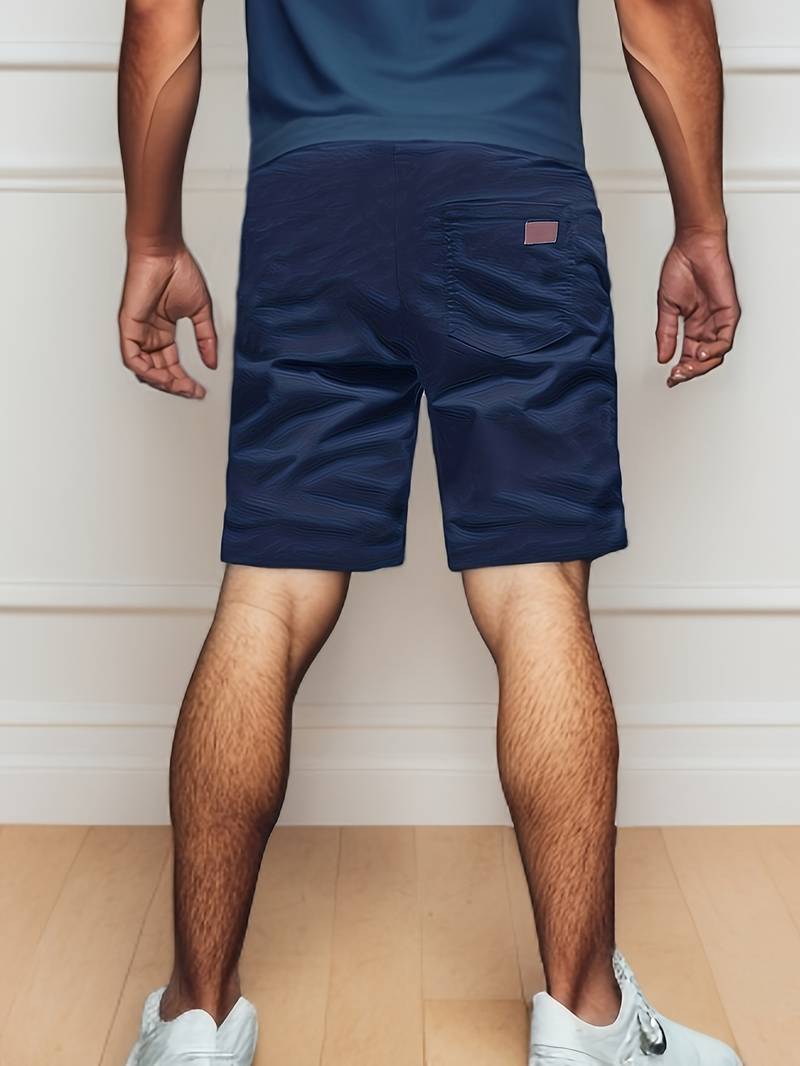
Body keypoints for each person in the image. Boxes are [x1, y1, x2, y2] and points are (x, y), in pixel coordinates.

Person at [117, 1, 742, 1063]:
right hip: (515, 200)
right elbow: (661, 12)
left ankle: (195, 1019)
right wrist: (702, 226)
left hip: (312, 204)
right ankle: (586, 1020)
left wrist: (151, 236)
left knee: (268, 593)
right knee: (535, 588)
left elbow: (159, 20)